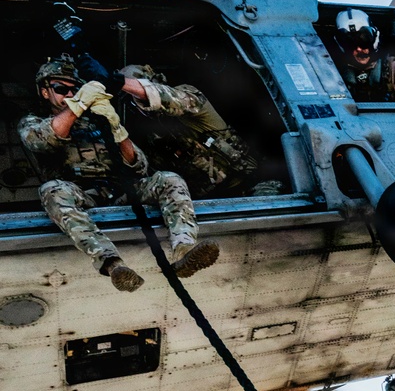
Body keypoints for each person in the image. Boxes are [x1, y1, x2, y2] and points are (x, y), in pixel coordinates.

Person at [18, 58, 218, 293]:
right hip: (83, 193)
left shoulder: (96, 119)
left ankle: (184, 249)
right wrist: (79, 104)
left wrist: (117, 129)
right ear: (45, 92)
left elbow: (139, 166)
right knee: (52, 190)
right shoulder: (33, 122)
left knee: (168, 179)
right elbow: (41, 140)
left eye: (76, 89)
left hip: (123, 189)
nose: (70, 94)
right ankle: (113, 264)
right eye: (62, 89)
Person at [119, 66, 259, 197]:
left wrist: (119, 82)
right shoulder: (154, 134)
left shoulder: (187, 97)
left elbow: (164, 97)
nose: (138, 105)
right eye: (133, 102)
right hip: (211, 200)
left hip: (249, 186)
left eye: (137, 95)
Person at [329, 9, 395, 103]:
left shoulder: (389, 67)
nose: (359, 49)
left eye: (364, 41)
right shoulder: (333, 71)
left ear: (374, 39)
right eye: (350, 44)